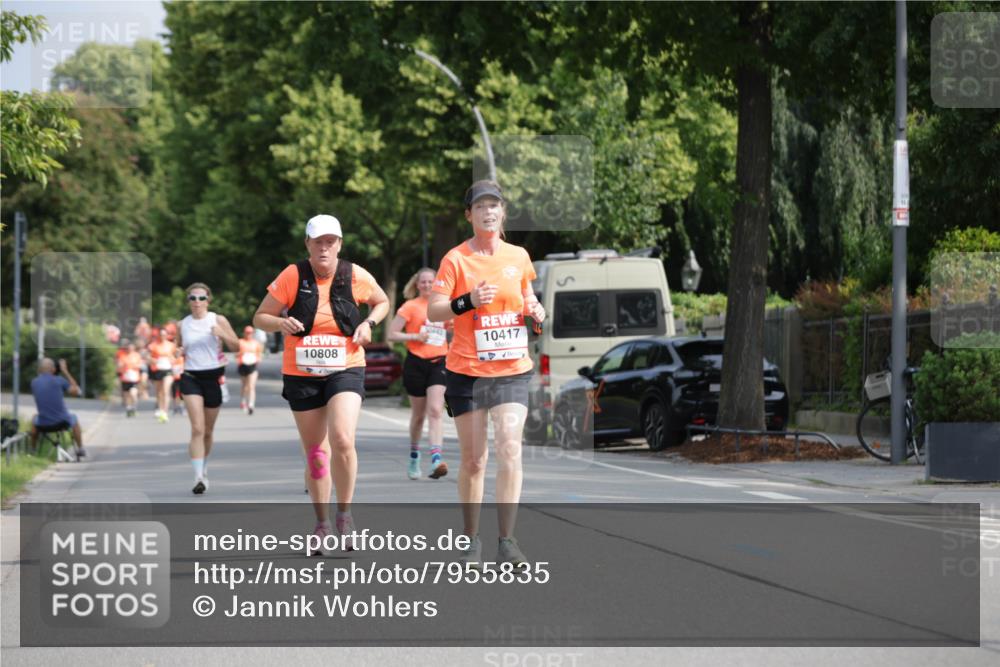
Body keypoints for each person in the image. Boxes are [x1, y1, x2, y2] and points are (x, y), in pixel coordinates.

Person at [426, 180, 545, 569]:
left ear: (503, 212)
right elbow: (435, 311)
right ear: (469, 215)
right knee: (475, 460)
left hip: (512, 370)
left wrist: (535, 310)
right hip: (467, 372)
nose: (488, 212)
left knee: (510, 449)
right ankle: (470, 539)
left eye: (494, 205)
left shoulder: (519, 256)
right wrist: (468, 301)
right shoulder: (455, 259)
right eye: (480, 207)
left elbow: (526, 296)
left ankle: (508, 541)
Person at [253, 214, 389, 553]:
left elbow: (382, 301)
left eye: (331, 241)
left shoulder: (354, 274)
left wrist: (369, 322)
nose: (324, 247)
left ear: (339, 244)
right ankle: (322, 522)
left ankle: (345, 514)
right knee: (317, 452)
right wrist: (279, 325)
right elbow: (260, 316)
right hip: (302, 370)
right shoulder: (292, 275)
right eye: (318, 242)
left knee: (342, 438)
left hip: (346, 365)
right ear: (308, 245)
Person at [387, 268, 450, 480]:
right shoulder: (410, 306)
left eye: (431, 281)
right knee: (418, 416)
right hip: (415, 363)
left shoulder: (443, 306)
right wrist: (416, 336)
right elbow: (392, 334)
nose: (427, 285)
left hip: (439, 362)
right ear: (417, 285)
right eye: (423, 282)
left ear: (437, 283)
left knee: (435, 410)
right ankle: (414, 455)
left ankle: (436, 458)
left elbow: (457, 328)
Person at [178, 283, 240, 495]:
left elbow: (237, 346)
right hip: (190, 376)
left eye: (201, 298)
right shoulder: (182, 324)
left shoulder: (218, 319)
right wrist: (177, 351)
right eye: (193, 298)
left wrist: (222, 333)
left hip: (214, 376)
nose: (197, 302)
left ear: (208, 300)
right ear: (188, 301)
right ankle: (197, 477)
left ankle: (203, 466)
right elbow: (178, 346)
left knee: (208, 431)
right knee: (197, 428)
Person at [30, 358, 85, 459]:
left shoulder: (34, 382)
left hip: (43, 424)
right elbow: (76, 391)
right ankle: (80, 448)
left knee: (34, 418)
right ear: (53, 369)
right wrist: (65, 371)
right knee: (74, 418)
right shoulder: (60, 380)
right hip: (62, 422)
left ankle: (33, 450)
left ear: (39, 369)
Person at [147, 327, 179, 423]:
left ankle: (165, 412)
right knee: (159, 392)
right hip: (157, 369)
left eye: (164, 334)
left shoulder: (171, 345)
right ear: (158, 336)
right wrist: (152, 360)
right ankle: (160, 409)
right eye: (160, 335)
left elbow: (176, 356)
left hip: (168, 369)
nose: (162, 336)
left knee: (166, 390)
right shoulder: (153, 345)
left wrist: (173, 359)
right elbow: (148, 356)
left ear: (167, 335)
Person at [237, 325, 264, 414]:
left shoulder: (256, 343)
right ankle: (243, 401)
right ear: (244, 333)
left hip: (252, 365)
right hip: (243, 365)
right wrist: (242, 353)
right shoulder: (240, 342)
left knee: (251, 386)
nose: (249, 334)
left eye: (250, 333)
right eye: (247, 333)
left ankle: (251, 405)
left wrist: (257, 359)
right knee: (245, 387)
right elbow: (236, 354)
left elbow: (260, 354)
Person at [117, 341, 143, 417]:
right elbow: (119, 366)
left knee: (133, 393)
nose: (130, 349)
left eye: (131, 348)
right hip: (125, 378)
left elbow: (140, 365)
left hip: (134, 378)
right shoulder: (122, 356)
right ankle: (129, 408)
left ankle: (134, 407)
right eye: (128, 348)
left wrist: (132, 366)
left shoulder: (136, 355)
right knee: (127, 395)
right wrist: (122, 367)